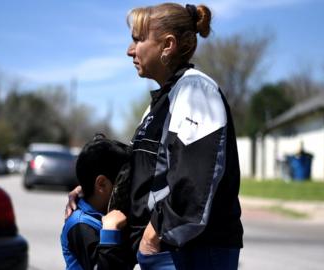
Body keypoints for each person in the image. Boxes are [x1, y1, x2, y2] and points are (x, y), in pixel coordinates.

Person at [67, 3, 243, 269]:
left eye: (137, 40)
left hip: (191, 252)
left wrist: (153, 236)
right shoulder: (160, 103)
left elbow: (196, 183)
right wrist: (89, 189)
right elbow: (139, 171)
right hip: (166, 251)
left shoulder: (195, 90)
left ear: (167, 45)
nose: (129, 50)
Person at [61, 135, 134, 270]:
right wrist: (110, 232)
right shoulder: (80, 224)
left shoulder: (108, 212)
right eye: (124, 182)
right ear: (101, 184)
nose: (129, 189)